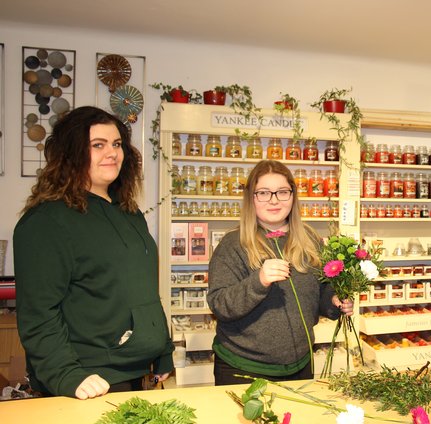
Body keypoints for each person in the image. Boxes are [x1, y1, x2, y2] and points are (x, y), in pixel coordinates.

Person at [14, 106, 174, 399]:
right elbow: (38, 315)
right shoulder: (47, 221)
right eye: (97, 145)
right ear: (70, 154)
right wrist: (67, 375)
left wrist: (162, 349)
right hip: (89, 380)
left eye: (116, 144)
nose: (111, 153)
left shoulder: (128, 211)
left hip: (136, 372)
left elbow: (143, 289)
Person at [207, 159, 353, 385]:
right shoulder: (233, 244)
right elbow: (220, 305)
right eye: (264, 193)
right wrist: (259, 281)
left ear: (293, 196)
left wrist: (334, 301)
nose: (274, 200)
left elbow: (323, 288)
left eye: (282, 192)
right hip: (244, 367)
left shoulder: (310, 239)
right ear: (251, 198)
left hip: (300, 364)